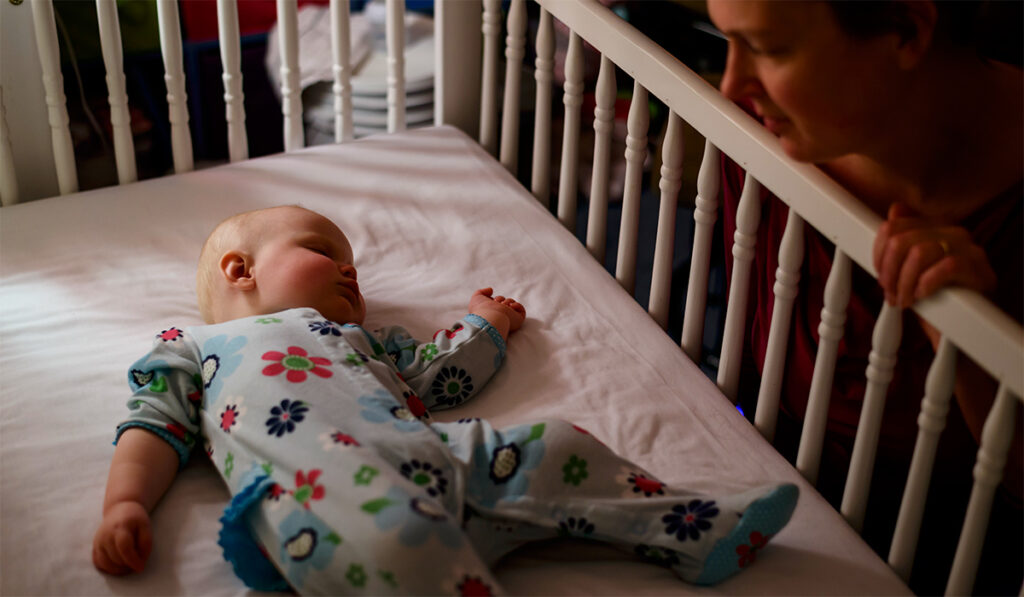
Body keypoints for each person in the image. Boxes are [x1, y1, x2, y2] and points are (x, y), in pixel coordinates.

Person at [92, 205, 797, 594]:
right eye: (320, 248)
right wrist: (125, 501)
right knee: (408, 541)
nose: (348, 268)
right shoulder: (198, 348)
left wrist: (486, 325)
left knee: (554, 446)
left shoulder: (369, 343)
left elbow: (440, 382)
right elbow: (153, 424)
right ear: (240, 270)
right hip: (328, 494)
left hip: (440, 461)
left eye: (354, 265)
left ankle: (693, 528)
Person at [705, 1, 1022, 594]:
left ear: (905, 30)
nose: (730, 83)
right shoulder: (750, 136)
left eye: (768, 48)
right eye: (728, 41)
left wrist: (977, 341)